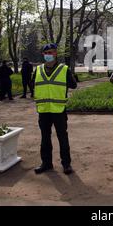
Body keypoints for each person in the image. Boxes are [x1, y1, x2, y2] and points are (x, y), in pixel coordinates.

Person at [32, 43, 77, 175]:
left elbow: (73, 85)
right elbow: (32, 84)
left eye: (51, 53)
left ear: (56, 54)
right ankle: (46, 163)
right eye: (46, 53)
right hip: (44, 110)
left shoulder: (64, 69)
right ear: (43, 55)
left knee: (62, 137)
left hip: (59, 110)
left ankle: (66, 164)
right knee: (44, 138)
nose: (48, 55)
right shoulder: (38, 70)